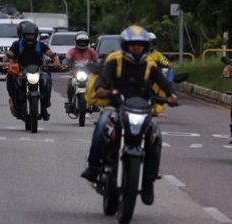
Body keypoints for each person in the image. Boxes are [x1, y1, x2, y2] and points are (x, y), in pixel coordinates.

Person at [81, 25, 177, 207]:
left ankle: (148, 181)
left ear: (145, 46)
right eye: (133, 45)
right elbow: (103, 77)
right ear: (125, 45)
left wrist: (171, 95)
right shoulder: (114, 60)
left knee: (155, 136)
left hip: (141, 109)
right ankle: (93, 167)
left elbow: (164, 82)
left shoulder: (150, 64)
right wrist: (101, 89)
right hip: (116, 106)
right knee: (101, 124)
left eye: (140, 45)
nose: (136, 48)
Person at [6, 21, 62, 121]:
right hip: (22, 70)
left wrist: (56, 61)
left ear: (35, 35)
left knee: (47, 79)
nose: (30, 37)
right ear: (23, 35)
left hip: (38, 70)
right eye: (27, 35)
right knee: (12, 78)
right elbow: (10, 55)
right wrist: (10, 64)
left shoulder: (40, 45)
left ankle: (45, 105)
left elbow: (52, 54)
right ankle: (15, 103)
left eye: (31, 35)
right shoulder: (17, 44)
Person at [63, 31, 98, 113]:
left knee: (95, 84)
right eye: (80, 42)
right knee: (70, 84)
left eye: (84, 42)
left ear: (87, 42)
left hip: (89, 73)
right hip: (74, 73)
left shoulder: (91, 51)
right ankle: (70, 102)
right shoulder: (72, 51)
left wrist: (100, 65)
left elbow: (97, 60)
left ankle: (94, 102)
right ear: (76, 42)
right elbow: (67, 58)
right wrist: (65, 63)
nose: (82, 44)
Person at [147, 32, 173, 116]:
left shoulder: (157, 54)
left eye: (152, 42)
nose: (150, 45)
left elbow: (163, 60)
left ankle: (157, 107)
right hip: (144, 76)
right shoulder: (141, 54)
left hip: (155, 76)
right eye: (148, 43)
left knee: (161, 90)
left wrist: (168, 64)